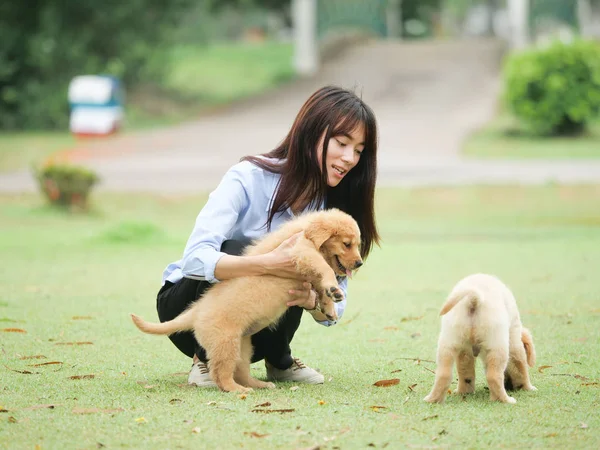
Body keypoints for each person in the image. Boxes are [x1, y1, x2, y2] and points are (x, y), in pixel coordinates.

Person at [156, 85, 380, 387]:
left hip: (254, 328)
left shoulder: (332, 216)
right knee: (241, 247)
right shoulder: (248, 177)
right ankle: (205, 361)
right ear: (311, 133)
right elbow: (196, 259)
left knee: (303, 267)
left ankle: (279, 361)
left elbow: (334, 307)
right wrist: (269, 263)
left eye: (359, 151)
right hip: (189, 310)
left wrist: (313, 301)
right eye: (342, 143)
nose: (350, 158)